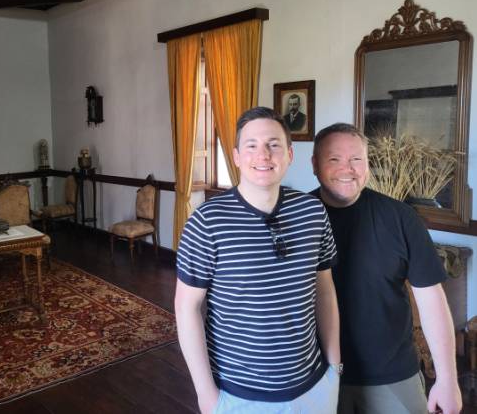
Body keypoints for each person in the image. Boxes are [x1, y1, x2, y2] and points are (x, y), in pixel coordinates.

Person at [175, 107, 341, 414]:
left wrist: (335, 367)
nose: (263, 155)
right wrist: (205, 394)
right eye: (251, 145)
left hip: (314, 387)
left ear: (289, 154)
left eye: (273, 144)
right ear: (237, 157)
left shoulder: (313, 212)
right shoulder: (207, 222)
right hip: (239, 394)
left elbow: (325, 291)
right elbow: (187, 308)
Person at [311, 122, 462, 414]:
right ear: (315, 164)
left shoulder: (401, 217)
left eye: (356, 159)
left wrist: (447, 379)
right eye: (334, 159)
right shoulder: (297, 218)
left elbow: (431, 300)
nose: (347, 169)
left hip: (394, 375)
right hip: (316, 375)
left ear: (367, 164)